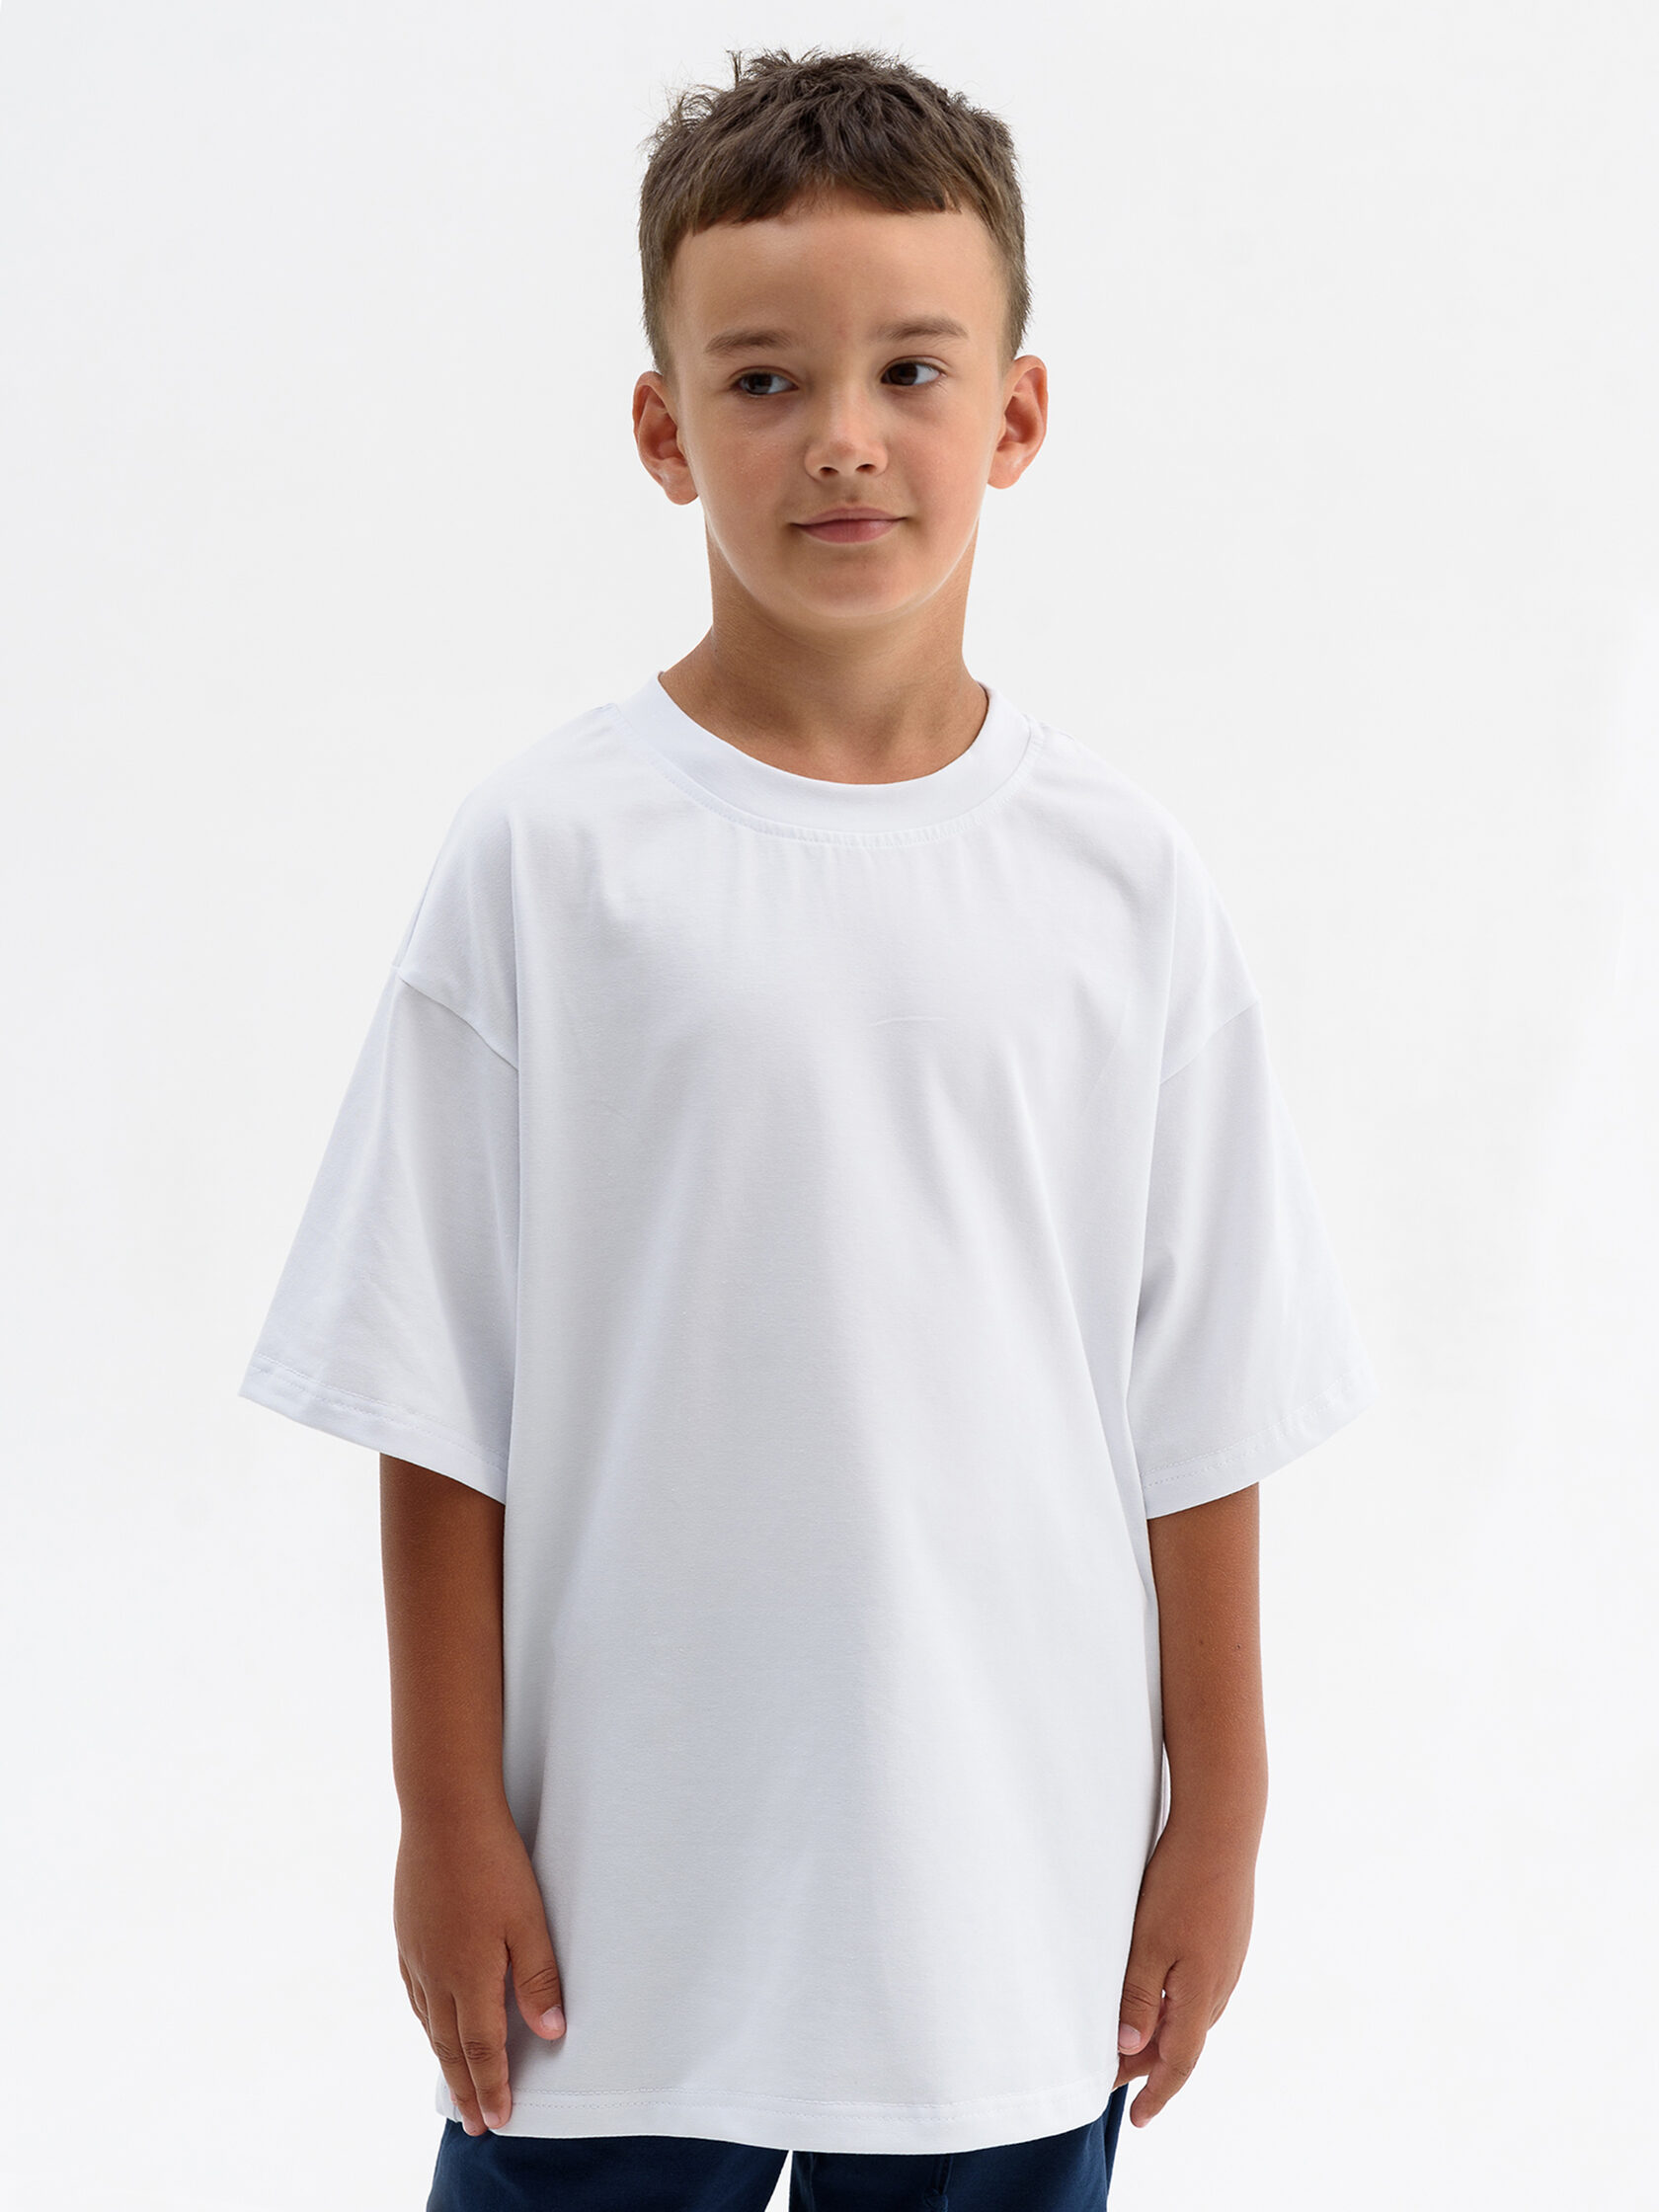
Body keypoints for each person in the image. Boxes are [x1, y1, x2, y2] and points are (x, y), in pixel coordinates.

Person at [238, 44, 1379, 2212]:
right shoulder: (550, 858)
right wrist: (444, 1814)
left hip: (1003, 1900)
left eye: (910, 370)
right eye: (764, 380)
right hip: (618, 1911)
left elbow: (1203, 1399)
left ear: (1013, 417)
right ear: (665, 429)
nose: (843, 434)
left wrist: (1219, 1810)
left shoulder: (1123, 884)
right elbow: (432, 1391)